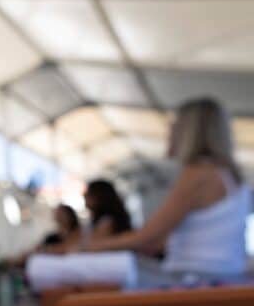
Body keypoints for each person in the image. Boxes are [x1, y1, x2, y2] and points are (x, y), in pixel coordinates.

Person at [84, 97, 250, 283]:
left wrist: (92, 246)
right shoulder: (232, 176)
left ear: (188, 132)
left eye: (175, 126)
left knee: (99, 275)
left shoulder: (199, 173)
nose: (169, 132)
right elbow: (158, 241)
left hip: (195, 279)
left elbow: (147, 236)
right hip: (227, 277)